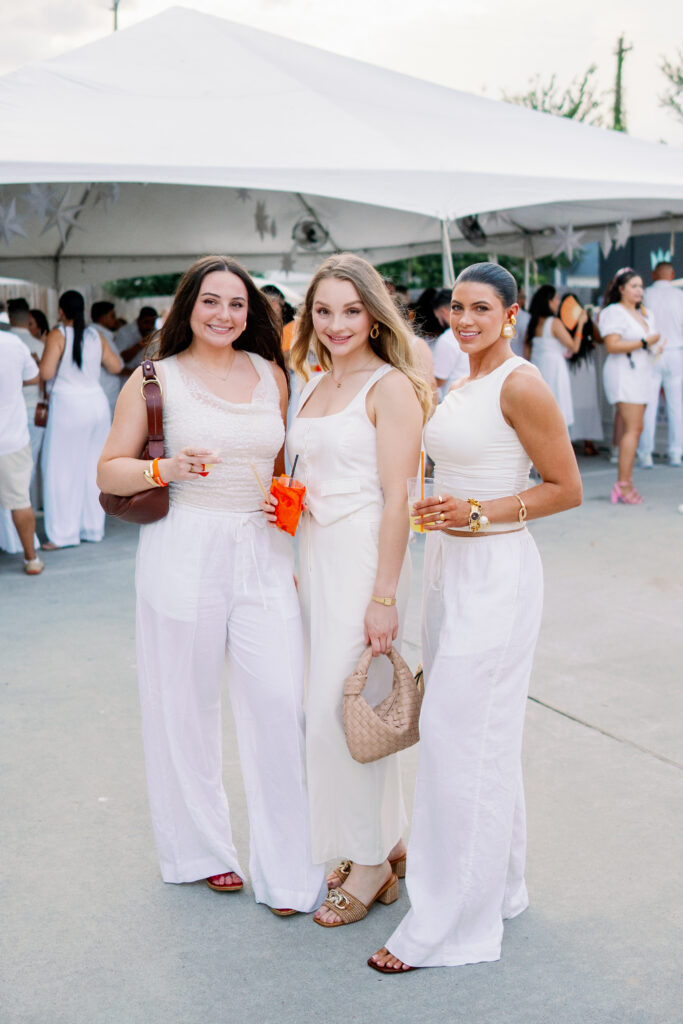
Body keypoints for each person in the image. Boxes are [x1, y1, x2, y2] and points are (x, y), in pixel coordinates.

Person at [368, 262, 582, 973]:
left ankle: (452, 924)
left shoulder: (520, 382)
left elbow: (565, 488)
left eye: (480, 308)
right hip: (449, 573)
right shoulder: (460, 382)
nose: (463, 320)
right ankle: (499, 886)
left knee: (463, 740)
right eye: (455, 307)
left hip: (496, 573)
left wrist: (479, 511)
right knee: (474, 735)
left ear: (511, 313)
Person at [97, 255, 325, 914]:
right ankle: (200, 851)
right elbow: (110, 471)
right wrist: (165, 467)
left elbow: (280, 465)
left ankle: (290, 870)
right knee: (183, 705)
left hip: (259, 550)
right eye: (211, 302)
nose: (224, 314)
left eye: (236, 303)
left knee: (281, 703)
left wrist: (285, 500)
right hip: (182, 548)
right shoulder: (153, 379)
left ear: (251, 312)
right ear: (186, 309)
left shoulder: (270, 373)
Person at [280, 253, 431, 927]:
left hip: (366, 558)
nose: (336, 323)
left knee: (340, 715)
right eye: (322, 310)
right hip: (314, 555)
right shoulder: (309, 383)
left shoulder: (390, 386)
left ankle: (369, 864)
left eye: (349, 309)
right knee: (345, 710)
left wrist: (386, 596)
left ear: (373, 313)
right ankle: (383, 843)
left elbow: (399, 500)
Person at [39, 290, 123, 549]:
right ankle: (92, 528)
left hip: (68, 406)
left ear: (61, 311)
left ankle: (63, 534)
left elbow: (46, 371)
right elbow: (116, 367)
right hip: (96, 404)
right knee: (91, 469)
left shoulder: (58, 334)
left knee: (62, 470)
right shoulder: (95, 335)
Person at [599, 268, 661, 504]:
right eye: (633, 286)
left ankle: (627, 481)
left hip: (642, 372)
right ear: (621, 288)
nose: (638, 290)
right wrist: (645, 341)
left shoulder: (644, 313)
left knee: (636, 429)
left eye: (641, 286)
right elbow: (612, 345)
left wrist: (653, 346)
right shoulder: (614, 312)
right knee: (632, 429)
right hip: (625, 373)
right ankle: (623, 484)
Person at [0, 329, 44, 574]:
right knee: (19, 501)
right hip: (10, 438)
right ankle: (31, 559)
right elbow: (34, 376)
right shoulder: (13, 343)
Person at [638, 262, 683, 467]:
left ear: (654, 274)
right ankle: (675, 453)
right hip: (675, 352)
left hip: (652, 353)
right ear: (672, 275)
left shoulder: (646, 294)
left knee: (649, 405)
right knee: (676, 406)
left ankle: (646, 453)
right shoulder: (679, 296)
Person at [525, 284, 582, 427]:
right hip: (555, 369)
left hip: (537, 369)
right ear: (548, 301)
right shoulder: (554, 323)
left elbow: (527, 353)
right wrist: (580, 323)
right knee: (558, 406)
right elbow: (574, 347)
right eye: (556, 299)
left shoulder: (533, 323)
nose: (558, 302)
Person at [7, 299, 45, 502]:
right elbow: (43, 380)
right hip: (33, 413)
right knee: (29, 466)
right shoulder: (39, 345)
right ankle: (25, 507)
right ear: (29, 317)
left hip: (6, 414)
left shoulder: (6, 342)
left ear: (9, 317)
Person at [561, 295, 604, 455]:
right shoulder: (574, 322)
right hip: (581, 364)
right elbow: (599, 338)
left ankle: (575, 442)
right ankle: (587, 441)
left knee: (577, 401)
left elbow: (598, 338)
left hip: (575, 364)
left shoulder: (569, 322)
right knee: (584, 401)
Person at [431, 288, 469, 400]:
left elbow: (439, 380)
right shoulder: (475, 333)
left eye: (438, 317)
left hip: (455, 400)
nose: (439, 321)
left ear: (444, 311)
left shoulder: (447, 339)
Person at [91, 300, 123, 417]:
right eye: (112, 316)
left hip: (106, 391)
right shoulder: (98, 335)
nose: (116, 320)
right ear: (103, 318)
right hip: (105, 391)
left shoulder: (99, 334)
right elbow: (116, 367)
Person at [115, 306, 158, 373]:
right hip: (126, 379)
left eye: (152, 323)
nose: (149, 326)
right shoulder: (124, 332)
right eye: (146, 322)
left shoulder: (155, 333)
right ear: (139, 320)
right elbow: (119, 360)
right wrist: (139, 346)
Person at [509, 287, 530, 358]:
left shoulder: (501, 315)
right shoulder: (527, 317)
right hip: (521, 357)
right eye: (523, 297)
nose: (524, 299)